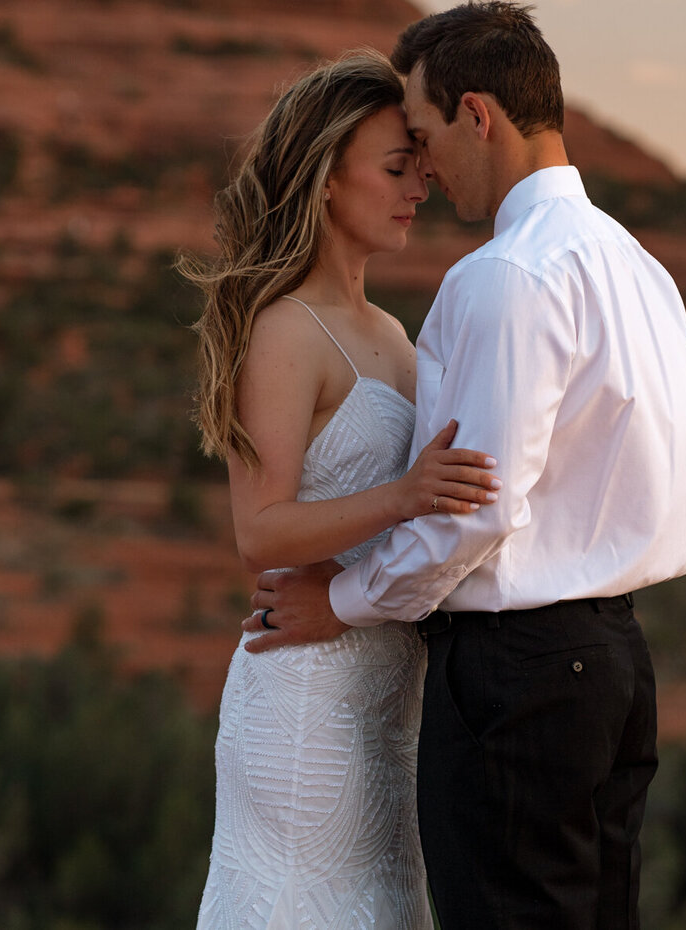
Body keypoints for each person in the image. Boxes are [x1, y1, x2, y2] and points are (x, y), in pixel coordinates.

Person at [243, 1, 686, 930]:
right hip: (615, 664)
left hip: (518, 679)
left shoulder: (506, 274)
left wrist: (335, 602)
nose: (426, 168)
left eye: (423, 135)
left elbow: (475, 511)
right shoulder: (637, 266)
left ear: (478, 115)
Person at [182, 50, 504, 930]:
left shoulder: (397, 333)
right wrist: (406, 496)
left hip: (389, 703)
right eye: (396, 169)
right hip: (306, 702)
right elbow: (262, 532)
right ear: (327, 180)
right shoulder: (287, 329)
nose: (419, 187)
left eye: (419, 166)